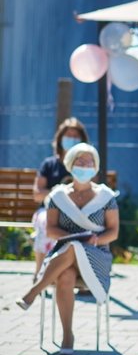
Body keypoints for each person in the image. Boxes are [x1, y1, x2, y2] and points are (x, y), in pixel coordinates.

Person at [16, 143, 119, 355]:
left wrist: (93, 241)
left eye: (89, 162)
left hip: (97, 255)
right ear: (70, 165)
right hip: (63, 256)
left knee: (75, 246)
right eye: (80, 161)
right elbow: (51, 230)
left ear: (95, 166)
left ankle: (34, 291)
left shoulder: (106, 197)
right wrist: (73, 238)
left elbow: (113, 232)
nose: (85, 165)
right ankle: (67, 336)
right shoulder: (57, 196)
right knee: (66, 275)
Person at [32, 117, 90, 278]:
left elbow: (91, 192)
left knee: (88, 226)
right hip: (48, 210)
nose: (71, 139)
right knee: (46, 224)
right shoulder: (49, 164)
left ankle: (84, 274)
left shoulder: (86, 166)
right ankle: (40, 272)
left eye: (75, 136)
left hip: (77, 212)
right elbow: (37, 194)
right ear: (60, 138)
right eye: (68, 135)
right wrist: (59, 193)